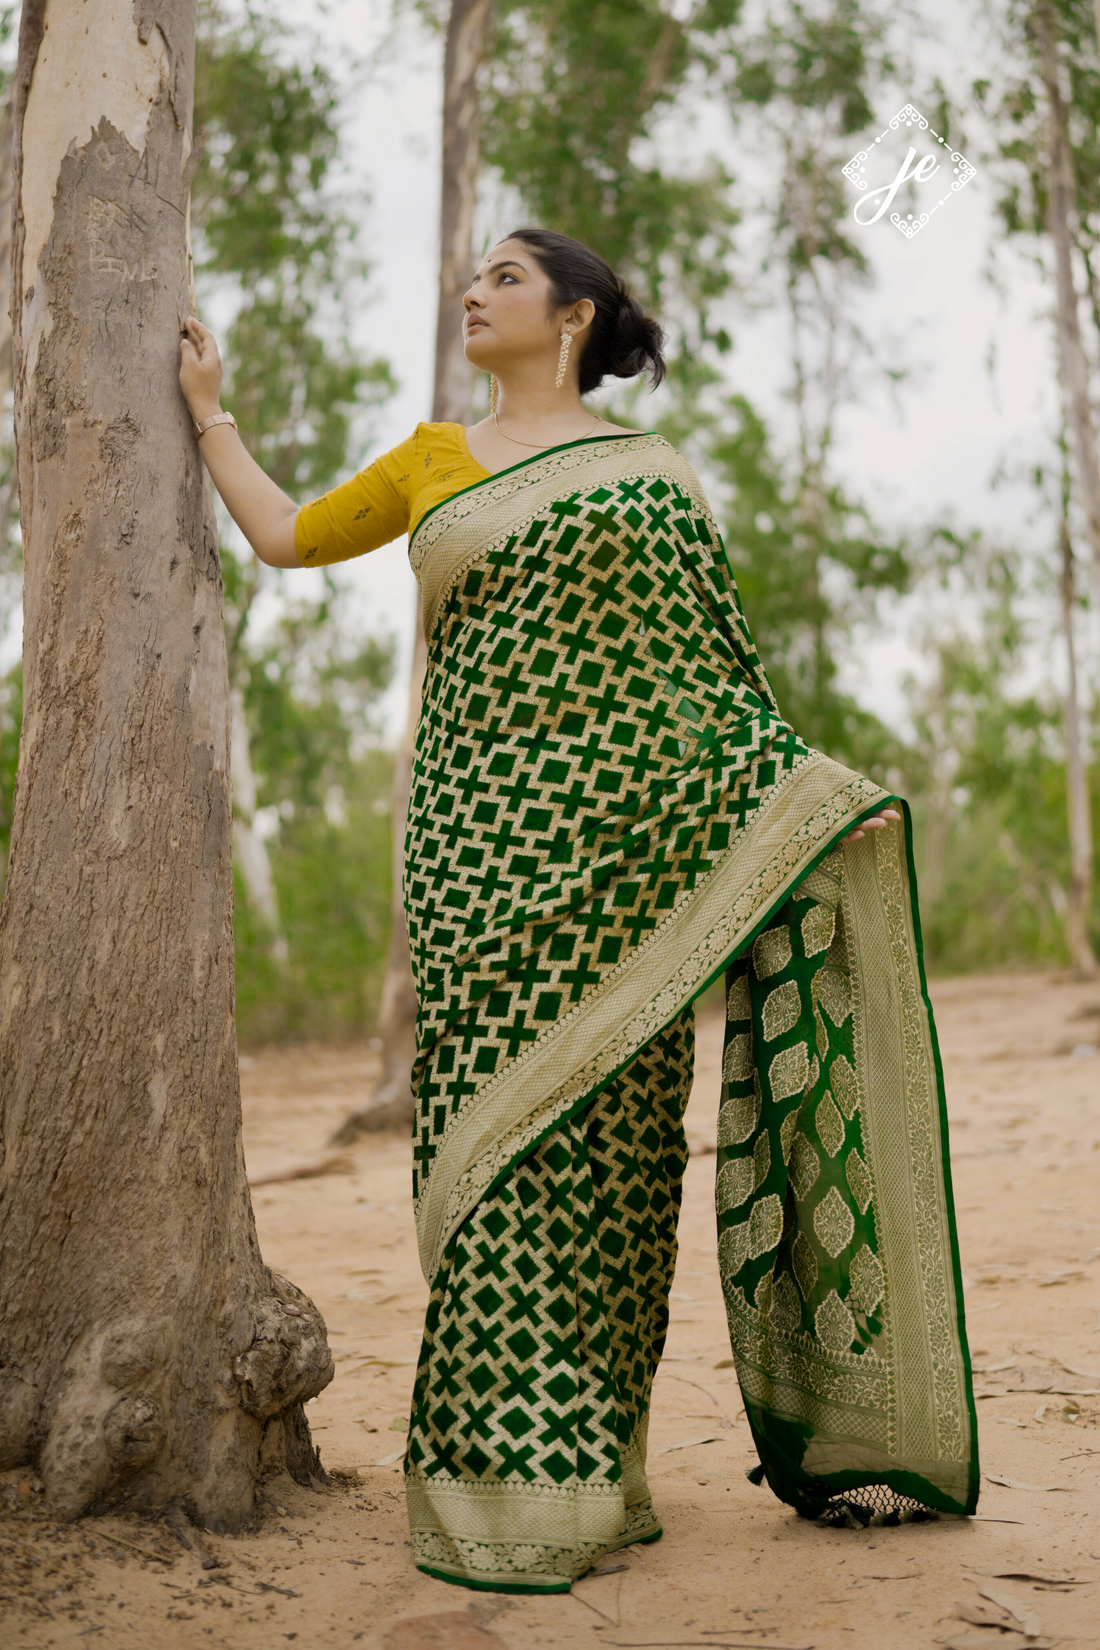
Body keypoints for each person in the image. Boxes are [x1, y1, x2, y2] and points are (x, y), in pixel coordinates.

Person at [179, 227, 978, 1594]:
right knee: (487, 1157)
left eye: (505, 276)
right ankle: (496, 1481)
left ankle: (596, 1471)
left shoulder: (652, 475)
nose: (473, 291)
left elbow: (707, 683)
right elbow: (284, 536)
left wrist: (810, 800)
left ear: (575, 315)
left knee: (616, 1161)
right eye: (472, 274)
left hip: (628, 871)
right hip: (478, 860)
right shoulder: (433, 458)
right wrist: (211, 414)